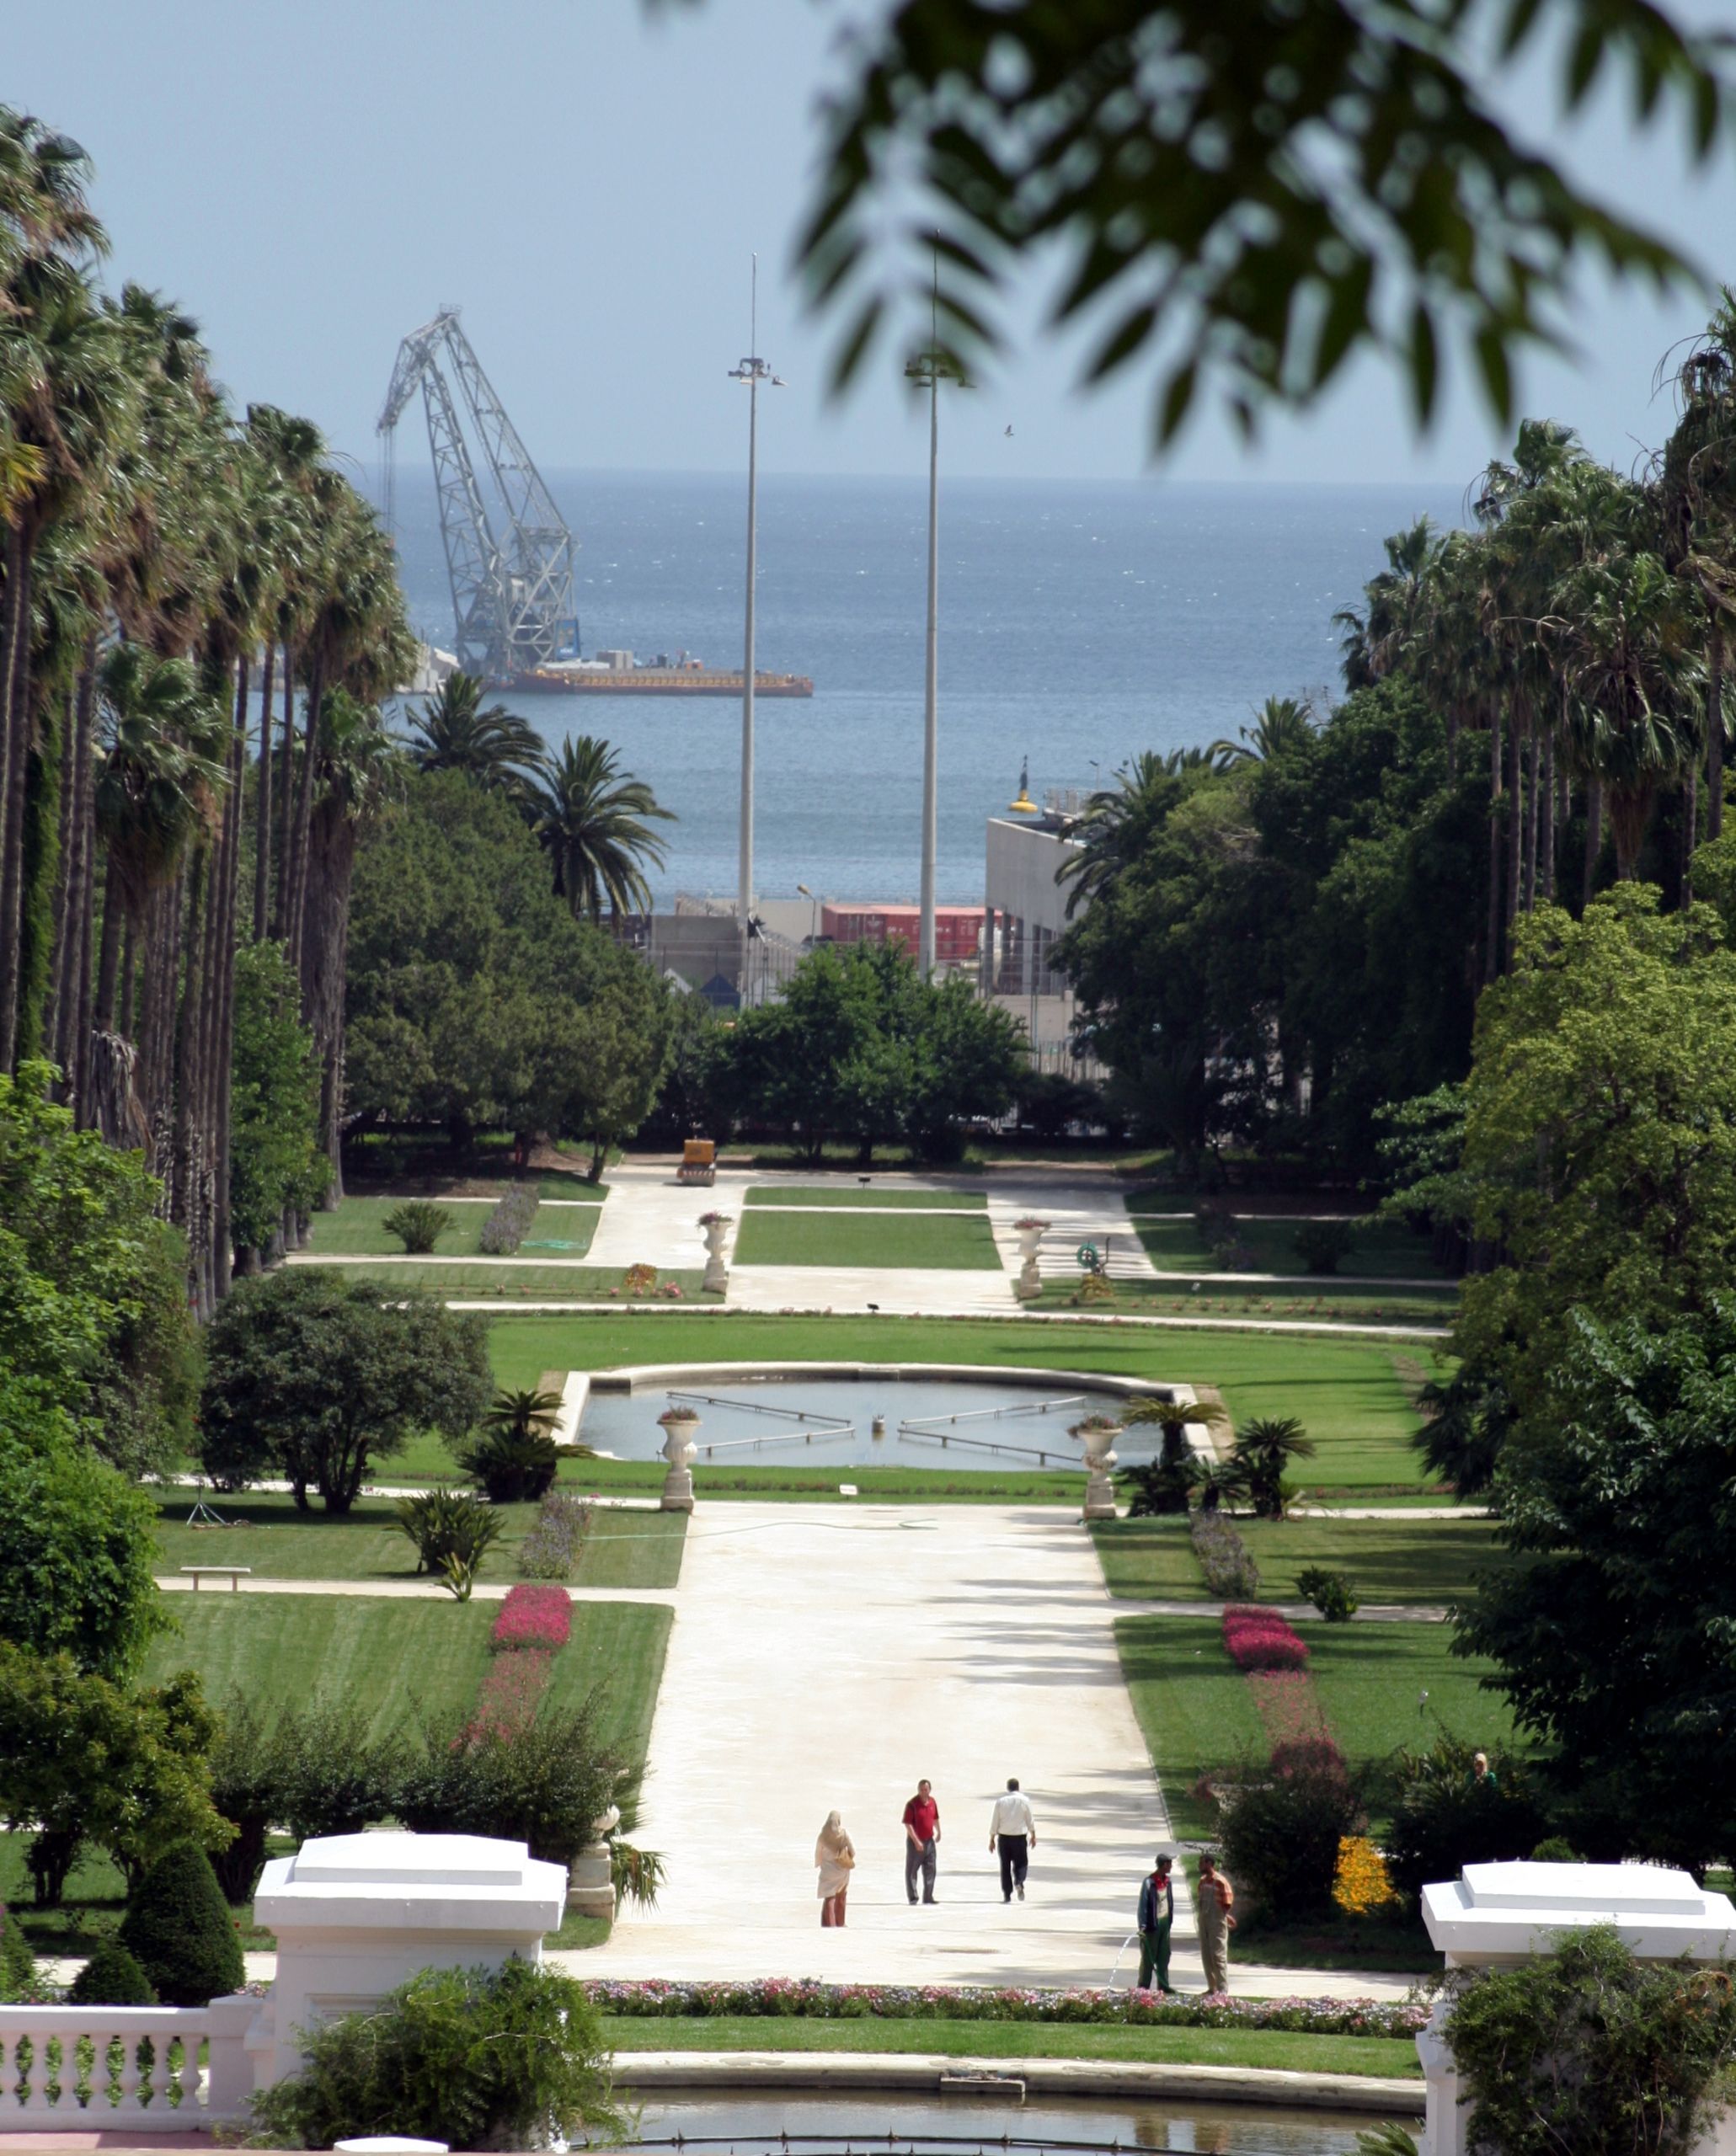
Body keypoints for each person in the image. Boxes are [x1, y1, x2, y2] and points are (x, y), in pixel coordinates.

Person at [989, 1778, 1037, 1903]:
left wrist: (992, 1839)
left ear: (1008, 1788)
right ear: (1018, 1787)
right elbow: (1029, 1819)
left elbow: (995, 1820)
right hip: (1019, 1838)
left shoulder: (1001, 1801)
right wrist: (1033, 1835)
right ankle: (1019, 1881)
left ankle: (1007, 1894)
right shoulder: (1025, 1800)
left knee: (1005, 1866)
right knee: (1021, 1863)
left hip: (1004, 1838)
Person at [1135, 1853, 1175, 1992]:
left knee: (1164, 1956)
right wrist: (1142, 1926)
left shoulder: (1168, 1882)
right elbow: (1143, 1905)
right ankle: (1143, 1987)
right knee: (1149, 1958)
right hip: (1153, 1924)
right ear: (1164, 1865)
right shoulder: (1149, 1882)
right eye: (1170, 1863)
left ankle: (1164, 1987)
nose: (1171, 1866)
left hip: (1165, 1923)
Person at [1197, 1854, 1235, 1995]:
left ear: (1209, 1864)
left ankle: (1222, 1989)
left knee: (1218, 1956)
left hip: (1216, 1923)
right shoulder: (1202, 1882)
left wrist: (1224, 1917)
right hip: (1204, 1922)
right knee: (1206, 1955)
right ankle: (1212, 1988)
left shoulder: (1220, 1881)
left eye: (1202, 1863)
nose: (1199, 1866)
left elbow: (1226, 1903)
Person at [902, 1778, 940, 1904]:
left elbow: (935, 1818)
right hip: (915, 1843)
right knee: (912, 1870)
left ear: (930, 1790)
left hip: (929, 1841)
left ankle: (928, 1897)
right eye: (922, 1790)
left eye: (926, 1789)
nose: (924, 1792)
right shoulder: (912, 1804)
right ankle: (913, 1897)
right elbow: (908, 1824)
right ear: (918, 1790)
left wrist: (939, 1831)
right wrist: (916, 1841)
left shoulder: (933, 1802)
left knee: (931, 1869)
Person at [815, 1811, 855, 1928]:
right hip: (842, 1871)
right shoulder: (844, 1834)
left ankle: (831, 1925)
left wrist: (819, 1864)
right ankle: (841, 1923)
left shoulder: (823, 1836)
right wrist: (846, 1859)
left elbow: (818, 1854)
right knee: (841, 1896)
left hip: (828, 1871)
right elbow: (853, 1851)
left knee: (830, 1898)